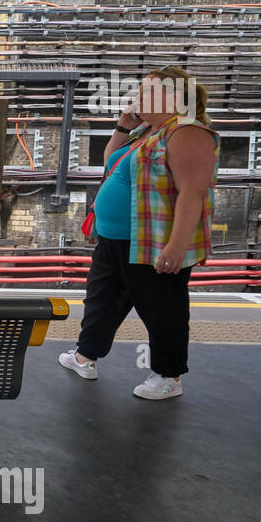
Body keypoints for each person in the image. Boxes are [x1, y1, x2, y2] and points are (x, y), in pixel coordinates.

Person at [59, 66, 219, 399]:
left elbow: (194, 192)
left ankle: (169, 376)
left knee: (162, 307)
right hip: (114, 237)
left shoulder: (187, 133)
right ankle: (84, 356)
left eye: (147, 92)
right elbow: (110, 163)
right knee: (102, 300)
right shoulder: (148, 132)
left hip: (151, 241)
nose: (137, 99)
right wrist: (123, 125)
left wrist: (176, 247)